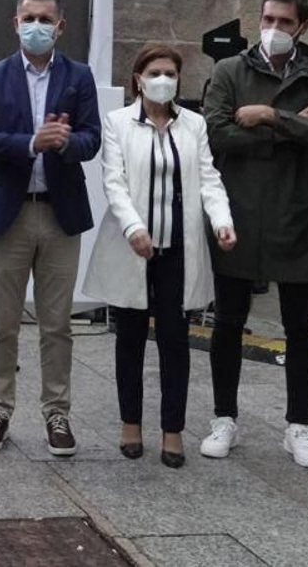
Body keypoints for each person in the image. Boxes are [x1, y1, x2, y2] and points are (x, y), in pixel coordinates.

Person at [201, 0, 308, 467]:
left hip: (297, 211)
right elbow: (216, 133)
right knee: (228, 320)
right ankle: (224, 418)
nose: (273, 29)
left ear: (303, 26)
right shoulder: (229, 70)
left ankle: (298, 424)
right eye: (267, 19)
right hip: (239, 207)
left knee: (300, 324)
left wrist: (268, 115)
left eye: (284, 22)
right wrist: (288, 130)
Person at [84, 44, 237, 467]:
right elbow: (114, 182)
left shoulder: (193, 124)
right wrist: (134, 228)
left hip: (178, 249)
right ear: (138, 79)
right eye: (154, 73)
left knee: (174, 339)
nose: (163, 80)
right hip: (133, 246)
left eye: (170, 73)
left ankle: (173, 429)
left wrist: (221, 221)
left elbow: (208, 178)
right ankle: (130, 423)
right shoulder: (118, 122)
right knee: (130, 336)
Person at [0, 0, 101, 457]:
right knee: (1, 323)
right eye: (29, 18)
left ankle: (56, 412)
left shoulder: (79, 76)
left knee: (57, 324)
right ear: (16, 23)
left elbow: (92, 139)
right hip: (9, 212)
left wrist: (65, 142)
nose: (37, 27)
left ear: (60, 26)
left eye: (45, 19)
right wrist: (32, 143)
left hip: (60, 213)